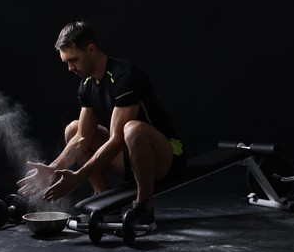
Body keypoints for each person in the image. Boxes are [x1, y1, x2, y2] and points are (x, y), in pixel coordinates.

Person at [16, 20, 187, 230]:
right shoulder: (86, 86)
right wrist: (52, 170)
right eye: (66, 62)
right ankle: (107, 205)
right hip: (130, 158)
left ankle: (144, 208)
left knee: (133, 129)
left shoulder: (125, 77)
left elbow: (116, 140)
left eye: (73, 60)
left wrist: (78, 177)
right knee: (74, 129)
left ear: (91, 49)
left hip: (167, 158)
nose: (70, 68)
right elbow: (82, 139)